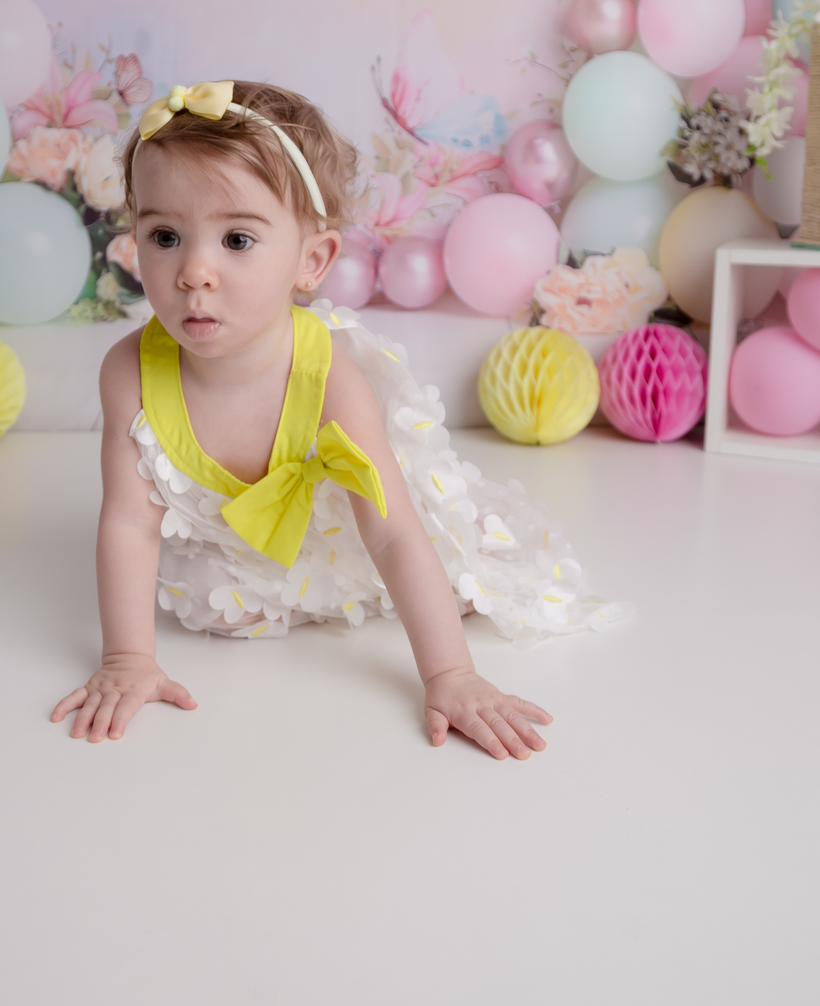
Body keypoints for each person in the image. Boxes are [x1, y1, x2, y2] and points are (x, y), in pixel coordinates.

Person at [51, 79, 623, 760]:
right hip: (240, 556)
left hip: (344, 539)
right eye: (165, 236)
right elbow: (129, 522)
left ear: (311, 260)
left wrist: (451, 674)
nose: (194, 271)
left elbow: (394, 533)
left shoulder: (328, 378)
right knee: (223, 608)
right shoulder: (129, 372)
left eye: (237, 239)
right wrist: (127, 658)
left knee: (464, 563)